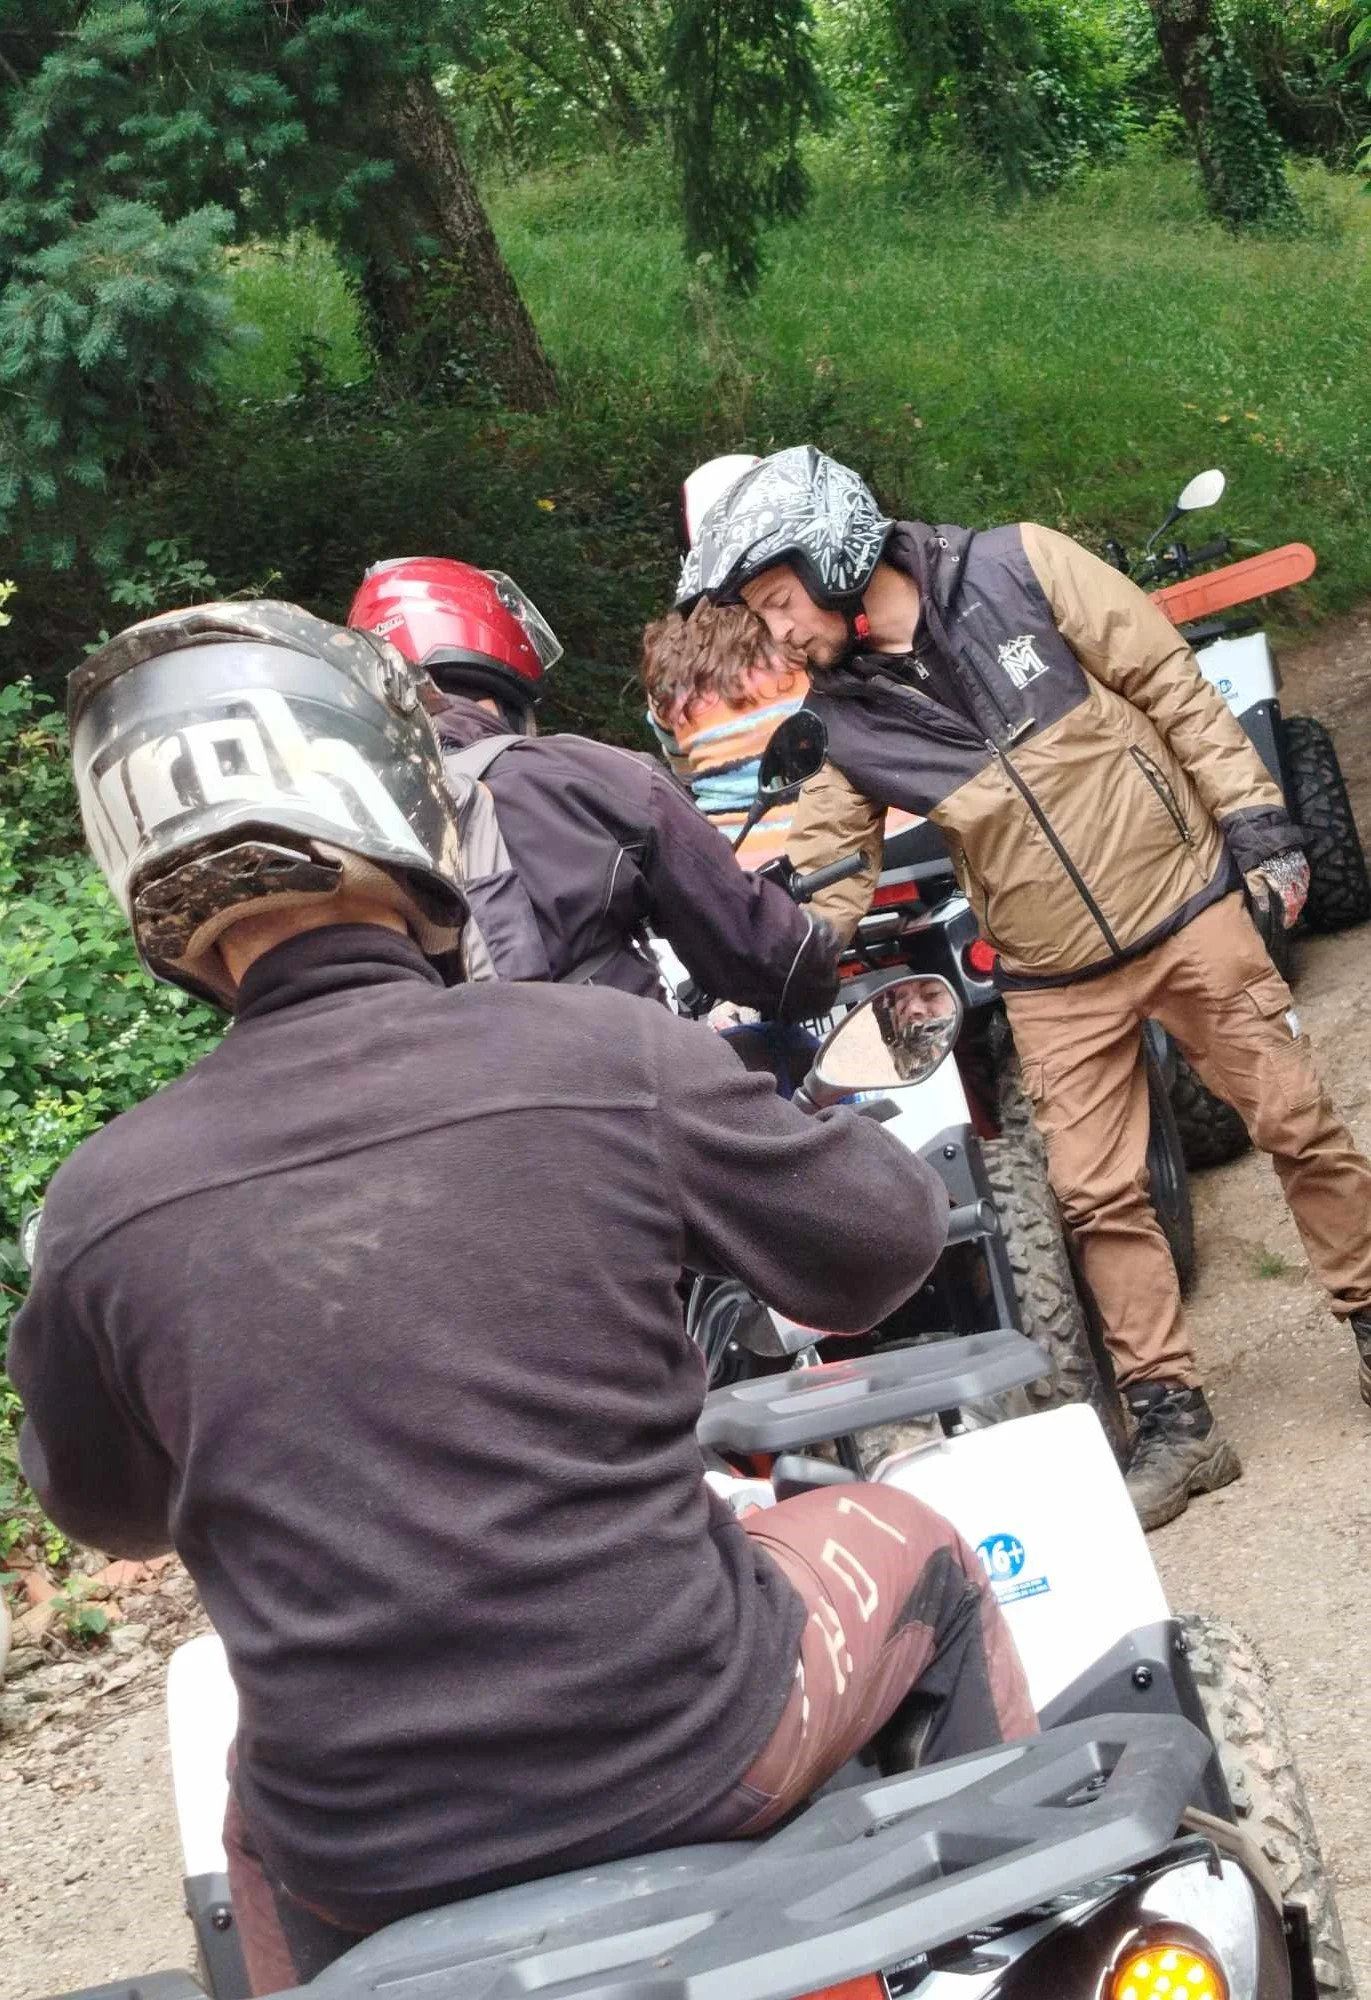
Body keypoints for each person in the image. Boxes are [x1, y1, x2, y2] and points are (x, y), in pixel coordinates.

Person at [9, 600, 1035, 1995]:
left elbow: (107, 1507)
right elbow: (874, 1250)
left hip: (360, 1850)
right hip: (694, 1746)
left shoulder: (101, 1204)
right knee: (911, 1538)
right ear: (400, 797)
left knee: (254, 1803)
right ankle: (992, 1952)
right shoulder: (604, 1052)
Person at [680, 444, 1371, 1531]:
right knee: (1098, 1199)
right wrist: (755, 964)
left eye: (777, 602)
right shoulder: (844, 719)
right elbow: (825, 866)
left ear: (836, 553)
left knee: (1296, 1121)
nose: (777, 633)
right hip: (1052, 977)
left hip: (1183, 904)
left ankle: (1368, 1313)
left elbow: (1171, 683)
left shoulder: (1020, 566)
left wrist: (1259, 819)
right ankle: (1180, 1423)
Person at [347, 556, 838, 1019]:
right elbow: (765, 957)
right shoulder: (585, 777)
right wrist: (813, 958)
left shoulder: (340, 833)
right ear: (497, 659)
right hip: (623, 1091)